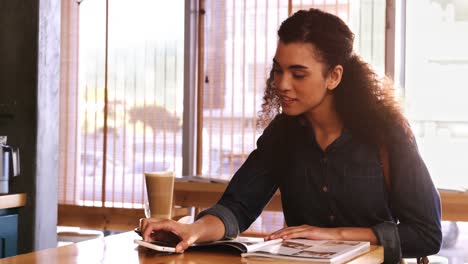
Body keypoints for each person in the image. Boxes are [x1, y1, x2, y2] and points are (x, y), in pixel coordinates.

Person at [140, 8, 442, 263]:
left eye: (298, 74)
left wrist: (337, 234)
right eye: (278, 70)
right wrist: (193, 231)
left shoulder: (386, 133)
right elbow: (237, 206)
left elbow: (427, 234)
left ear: (334, 76)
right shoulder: (282, 135)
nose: (282, 84)